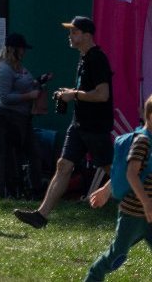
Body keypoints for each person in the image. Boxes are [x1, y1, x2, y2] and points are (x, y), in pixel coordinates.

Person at [15, 14, 112, 229]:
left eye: (74, 32)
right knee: (63, 165)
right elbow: (88, 91)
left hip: (95, 126)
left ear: (87, 35)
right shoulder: (84, 58)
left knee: (113, 170)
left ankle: (142, 206)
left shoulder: (97, 58)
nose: (70, 35)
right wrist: (70, 93)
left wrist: (74, 95)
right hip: (79, 124)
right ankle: (41, 216)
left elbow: (102, 94)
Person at [82, 91, 152, 280]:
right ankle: (93, 277)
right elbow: (130, 173)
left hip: (149, 213)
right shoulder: (142, 142)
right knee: (117, 255)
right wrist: (146, 203)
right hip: (134, 213)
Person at [0, 31, 45, 198]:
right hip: (9, 118)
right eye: (22, 49)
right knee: (11, 157)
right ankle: (13, 192)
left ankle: (36, 190)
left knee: (34, 153)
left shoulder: (19, 67)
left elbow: (26, 83)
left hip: (24, 118)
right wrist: (29, 96)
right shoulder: (3, 69)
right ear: (12, 49)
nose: (24, 52)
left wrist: (39, 81)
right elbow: (5, 98)